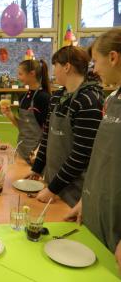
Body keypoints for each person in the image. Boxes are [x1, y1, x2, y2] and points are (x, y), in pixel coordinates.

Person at [65, 28, 121, 275]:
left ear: (113, 57)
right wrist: (87, 198)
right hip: (99, 213)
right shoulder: (112, 100)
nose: (95, 69)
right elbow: (101, 157)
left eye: (96, 61)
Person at [27, 46, 104, 207]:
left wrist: (53, 189)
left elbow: (81, 155)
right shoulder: (57, 97)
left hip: (74, 191)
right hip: (52, 183)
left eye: (55, 66)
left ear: (67, 67)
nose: (54, 72)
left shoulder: (88, 100)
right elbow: (47, 137)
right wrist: (36, 168)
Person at [1, 59, 51, 164]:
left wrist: (38, 152)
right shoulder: (23, 97)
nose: (18, 77)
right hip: (21, 150)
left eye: (20, 74)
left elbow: (49, 131)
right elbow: (22, 127)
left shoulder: (43, 98)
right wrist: (9, 114)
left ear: (32, 73)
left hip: (35, 154)